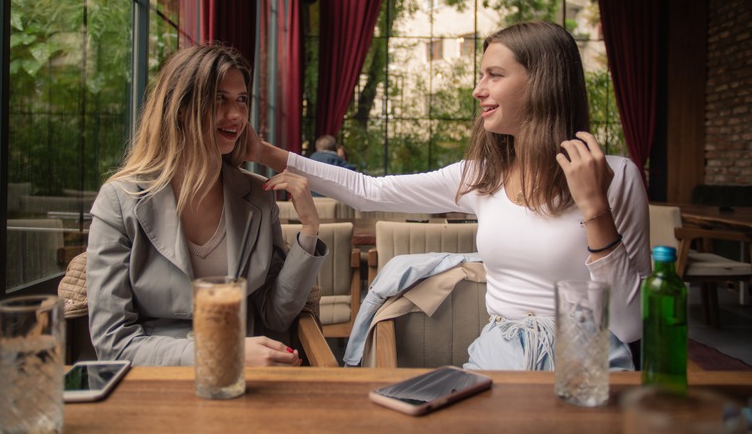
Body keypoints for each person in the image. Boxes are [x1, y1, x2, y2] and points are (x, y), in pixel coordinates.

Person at [247, 21, 650, 371]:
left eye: (494, 75)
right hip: (501, 353)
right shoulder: (481, 177)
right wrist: (263, 152)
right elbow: (368, 190)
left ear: (542, 83)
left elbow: (630, 325)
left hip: (589, 357)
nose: (478, 90)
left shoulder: (617, 176)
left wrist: (595, 208)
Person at [86, 44, 328, 367]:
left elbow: (276, 314)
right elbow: (113, 343)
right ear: (181, 108)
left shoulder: (258, 196)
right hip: (157, 384)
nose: (237, 115)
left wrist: (309, 231)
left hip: (245, 385)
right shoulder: (119, 201)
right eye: (219, 99)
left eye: (242, 100)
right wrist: (226, 354)